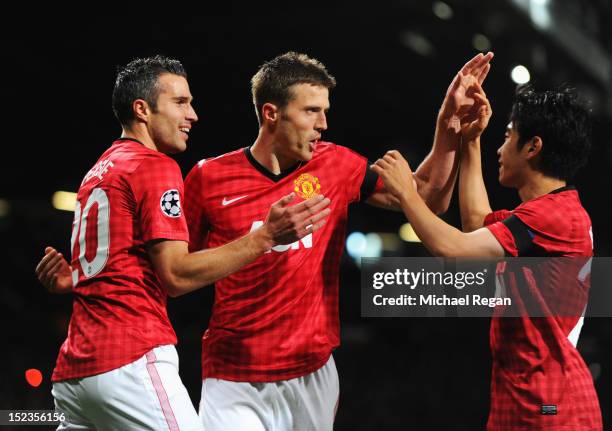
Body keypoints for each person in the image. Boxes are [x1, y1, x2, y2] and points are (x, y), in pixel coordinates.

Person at [184, 51, 493, 430]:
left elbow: (427, 198)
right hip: (233, 375)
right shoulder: (208, 178)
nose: (323, 124)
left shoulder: (336, 165)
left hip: (311, 372)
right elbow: (179, 273)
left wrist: (447, 124)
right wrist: (263, 239)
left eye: (325, 111)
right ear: (271, 113)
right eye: (312, 111)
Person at [35, 55, 330, 431]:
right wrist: (266, 237)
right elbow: (175, 275)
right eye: (180, 103)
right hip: (129, 360)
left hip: (76, 375)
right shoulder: (153, 166)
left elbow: (114, 263)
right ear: (142, 109)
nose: (192, 115)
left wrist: (74, 280)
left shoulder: (100, 169)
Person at [371, 84, 602, 430]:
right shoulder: (551, 214)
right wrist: (470, 142)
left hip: (551, 409)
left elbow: (453, 249)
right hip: (526, 399)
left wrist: (407, 193)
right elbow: (477, 225)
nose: (501, 147)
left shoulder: (554, 217)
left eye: (508, 136)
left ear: (533, 147)